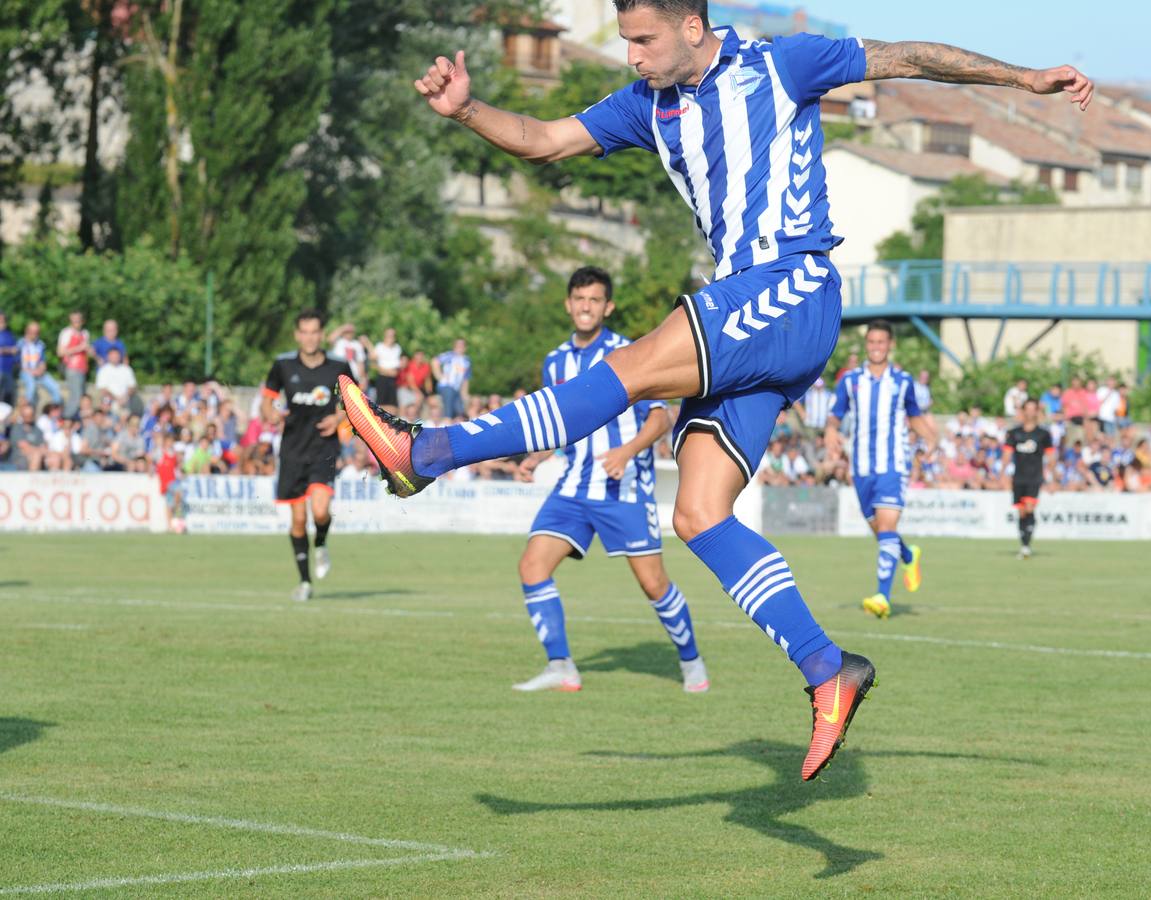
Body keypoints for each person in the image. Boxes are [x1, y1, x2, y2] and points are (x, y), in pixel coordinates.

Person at [339, 0, 1092, 782]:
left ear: (691, 27)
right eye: (626, 39)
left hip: (790, 286)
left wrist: (1025, 78)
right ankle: (827, 667)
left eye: (642, 39)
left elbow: (906, 57)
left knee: (628, 369)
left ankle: (428, 450)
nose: (630, 55)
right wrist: (466, 112)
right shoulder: (646, 105)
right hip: (756, 318)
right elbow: (545, 140)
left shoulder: (782, 63)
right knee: (697, 514)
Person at [510, 267, 710, 694]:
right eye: (579, 299)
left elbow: (661, 417)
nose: (586, 307)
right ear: (568, 304)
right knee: (532, 566)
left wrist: (626, 451)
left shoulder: (632, 352)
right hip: (573, 488)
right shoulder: (555, 361)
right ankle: (561, 665)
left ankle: (692, 661)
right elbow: (558, 427)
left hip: (625, 489)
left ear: (608, 306)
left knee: (653, 583)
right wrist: (535, 457)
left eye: (594, 300)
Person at [824, 320, 935, 618]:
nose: (876, 347)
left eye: (881, 342)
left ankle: (882, 597)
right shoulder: (850, 380)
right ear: (867, 345)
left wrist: (932, 439)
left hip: (893, 463)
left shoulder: (902, 381)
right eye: (871, 342)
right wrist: (830, 433)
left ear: (890, 345)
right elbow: (835, 416)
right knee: (881, 532)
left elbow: (914, 416)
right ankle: (909, 555)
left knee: (886, 527)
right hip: (861, 467)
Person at [261, 310, 355, 601]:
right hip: (292, 451)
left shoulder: (339, 367)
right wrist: (272, 416)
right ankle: (304, 582)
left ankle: (322, 543)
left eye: (315, 331)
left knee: (319, 511)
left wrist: (338, 419)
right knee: (299, 520)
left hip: (323, 449)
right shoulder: (283, 365)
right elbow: (267, 402)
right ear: (297, 335)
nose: (310, 337)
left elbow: (354, 404)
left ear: (322, 334)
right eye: (305, 331)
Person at [1003, 399, 1056, 558]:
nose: (1031, 412)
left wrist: (1052, 479)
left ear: (1037, 411)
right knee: (1021, 512)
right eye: (1028, 409)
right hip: (1018, 478)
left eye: (1034, 409)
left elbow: (1051, 457)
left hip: (1035, 477)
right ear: (1024, 411)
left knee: (1029, 507)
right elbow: (1006, 455)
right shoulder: (1014, 433)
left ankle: (1026, 546)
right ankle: (1024, 544)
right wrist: (1002, 475)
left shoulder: (1043, 434)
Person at [57, 311, 92, 418]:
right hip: (72, 368)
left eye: (78, 320)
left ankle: (75, 421)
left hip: (82, 369)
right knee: (75, 397)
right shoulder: (66, 333)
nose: (76, 323)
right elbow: (60, 352)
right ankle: (66, 419)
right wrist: (79, 348)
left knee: (81, 397)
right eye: (73, 320)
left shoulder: (85, 333)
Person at [18, 321, 62, 408]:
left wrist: (40, 370)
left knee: (55, 387)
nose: (34, 334)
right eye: (32, 332)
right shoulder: (20, 344)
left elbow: (42, 362)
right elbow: (17, 363)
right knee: (31, 386)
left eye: (36, 332)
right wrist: (30, 371)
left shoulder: (40, 344)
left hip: (39, 372)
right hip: (25, 372)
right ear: (27, 331)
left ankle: (55, 411)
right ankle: (27, 410)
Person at [432, 338, 472, 421]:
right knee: (448, 409)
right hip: (446, 386)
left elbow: (465, 379)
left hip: (456, 389)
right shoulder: (449, 355)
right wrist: (439, 376)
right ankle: (447, 423)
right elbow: (434, 361)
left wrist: (465, 394)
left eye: (462, 345)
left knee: (460, 411)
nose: (460, 347)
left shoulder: (467, 360)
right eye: (458, 345)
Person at [361, 328, 402, 408]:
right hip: (383, 378)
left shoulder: (397, 348)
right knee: (381, 404)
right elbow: (372, 358)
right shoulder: (380, 347)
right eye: (389, 336)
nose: (391, 338)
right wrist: (367, 343)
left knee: (393, 405)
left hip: (393, 380)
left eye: (392, 336)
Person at [94, 347, 137, 411]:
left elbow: (132, 386)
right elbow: (102, 389)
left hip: (126, 400)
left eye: (116, 355)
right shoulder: (103, 370)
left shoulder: (127, 369)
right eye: (112, 355)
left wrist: (125, 397)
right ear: (108, 357)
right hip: (109, 400)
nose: (115, 357)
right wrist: (116, 399)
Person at [0, 312, 17, 406]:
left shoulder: (9, 334)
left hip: (8, 369)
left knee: (8, 394)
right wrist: (8, 350)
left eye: (3, 320)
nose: (2, 322)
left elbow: (15, 349)